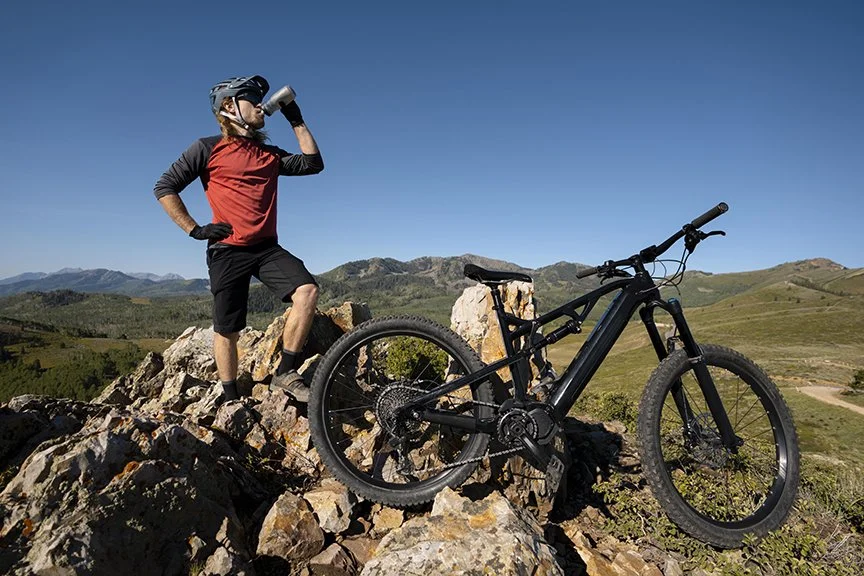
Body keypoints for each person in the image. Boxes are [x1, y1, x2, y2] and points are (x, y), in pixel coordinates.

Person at [153, 75, 323, 402]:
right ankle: (231, 400)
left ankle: (285, 373)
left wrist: (296, 120)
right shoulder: (206, 148)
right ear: (230, 107)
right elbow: (165, 187)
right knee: (227, 330)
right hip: (227, 250)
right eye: (251, 99)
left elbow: (313, 163)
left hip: (266, 248)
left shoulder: (268, 154)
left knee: (307, 290)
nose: (260, 105)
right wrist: (194, 229)